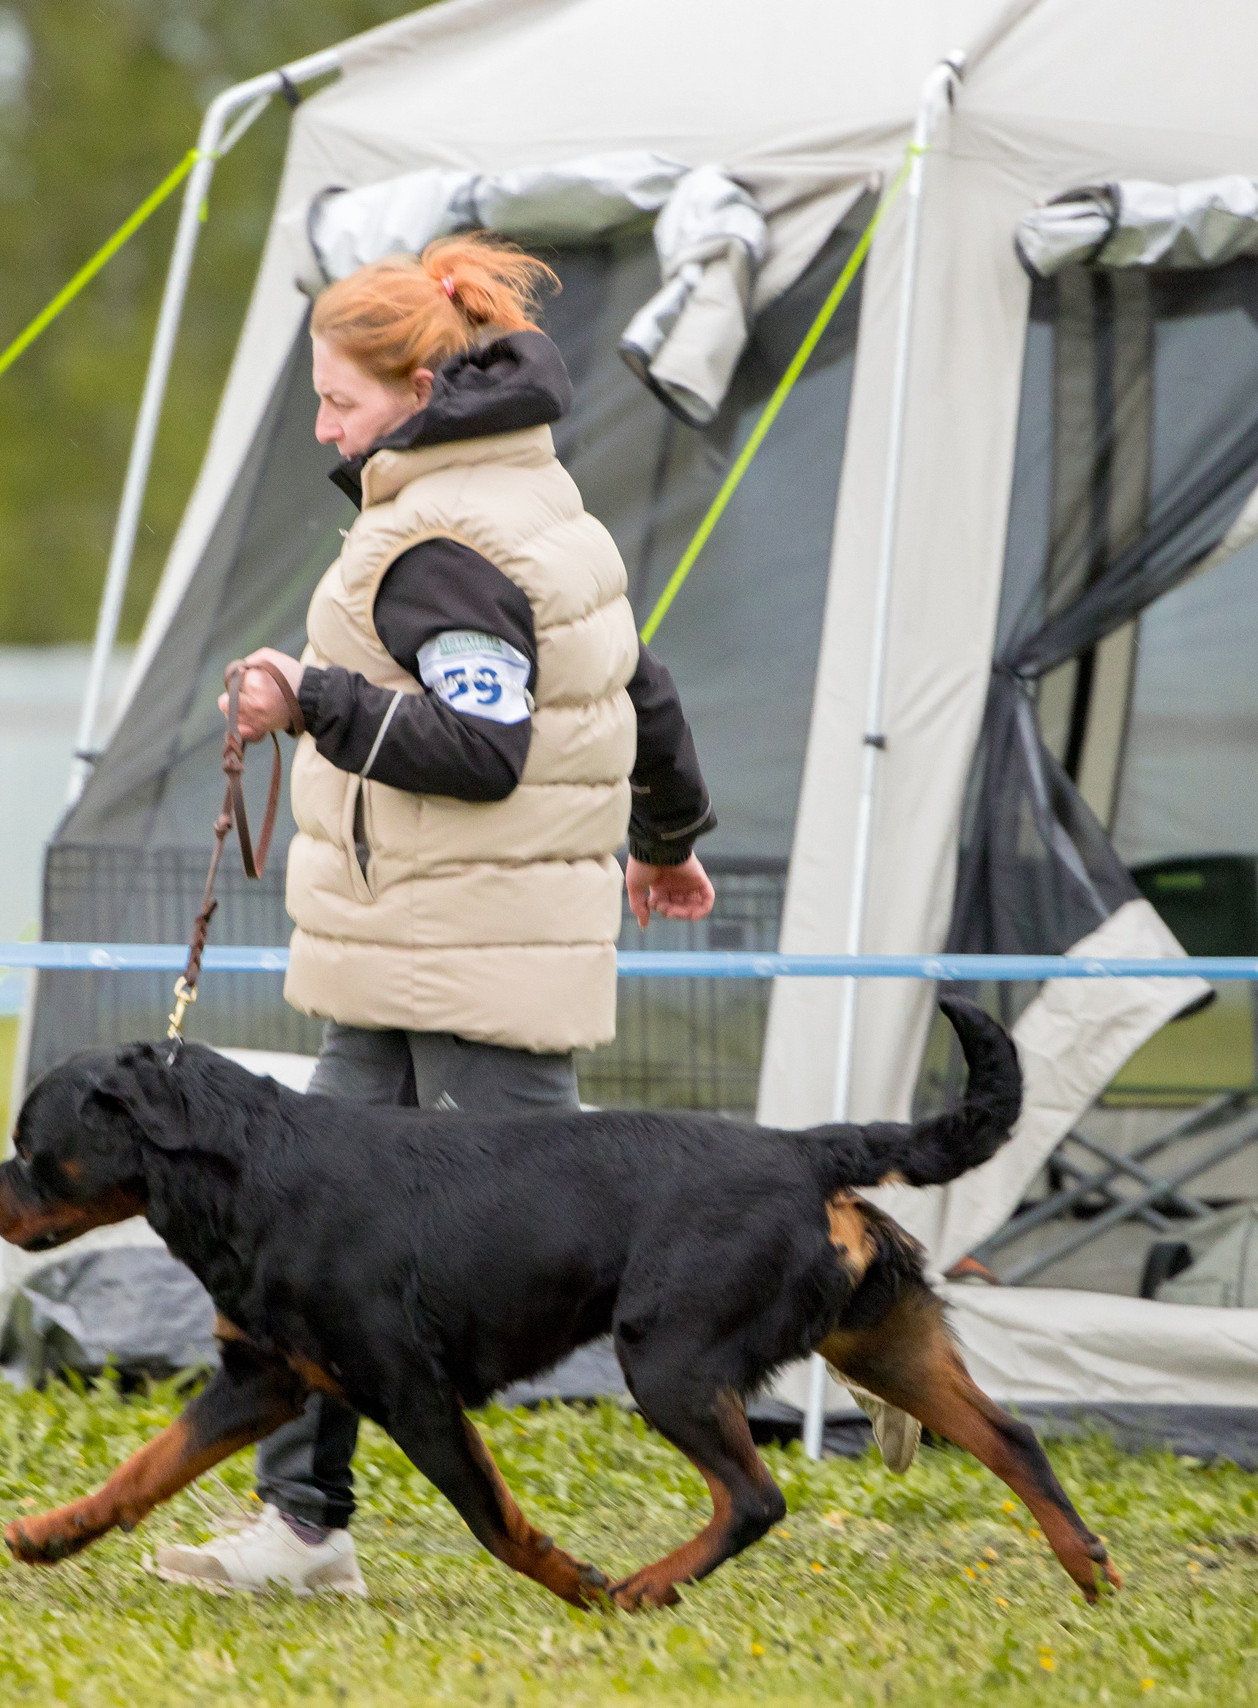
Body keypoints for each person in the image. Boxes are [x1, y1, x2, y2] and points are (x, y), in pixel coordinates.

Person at [147, 235, 719, 1599]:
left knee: (618, 1234)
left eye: (339, 403)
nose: (322, 428)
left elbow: (484, 749)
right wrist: (669, 838)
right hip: (408, 950)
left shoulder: (439, 546)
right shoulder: (535, 498)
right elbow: (639, 687)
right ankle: (303, 1529)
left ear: (416, 390)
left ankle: (840, 1321)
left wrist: (312, 699)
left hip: (472, 961)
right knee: (312, 1245)